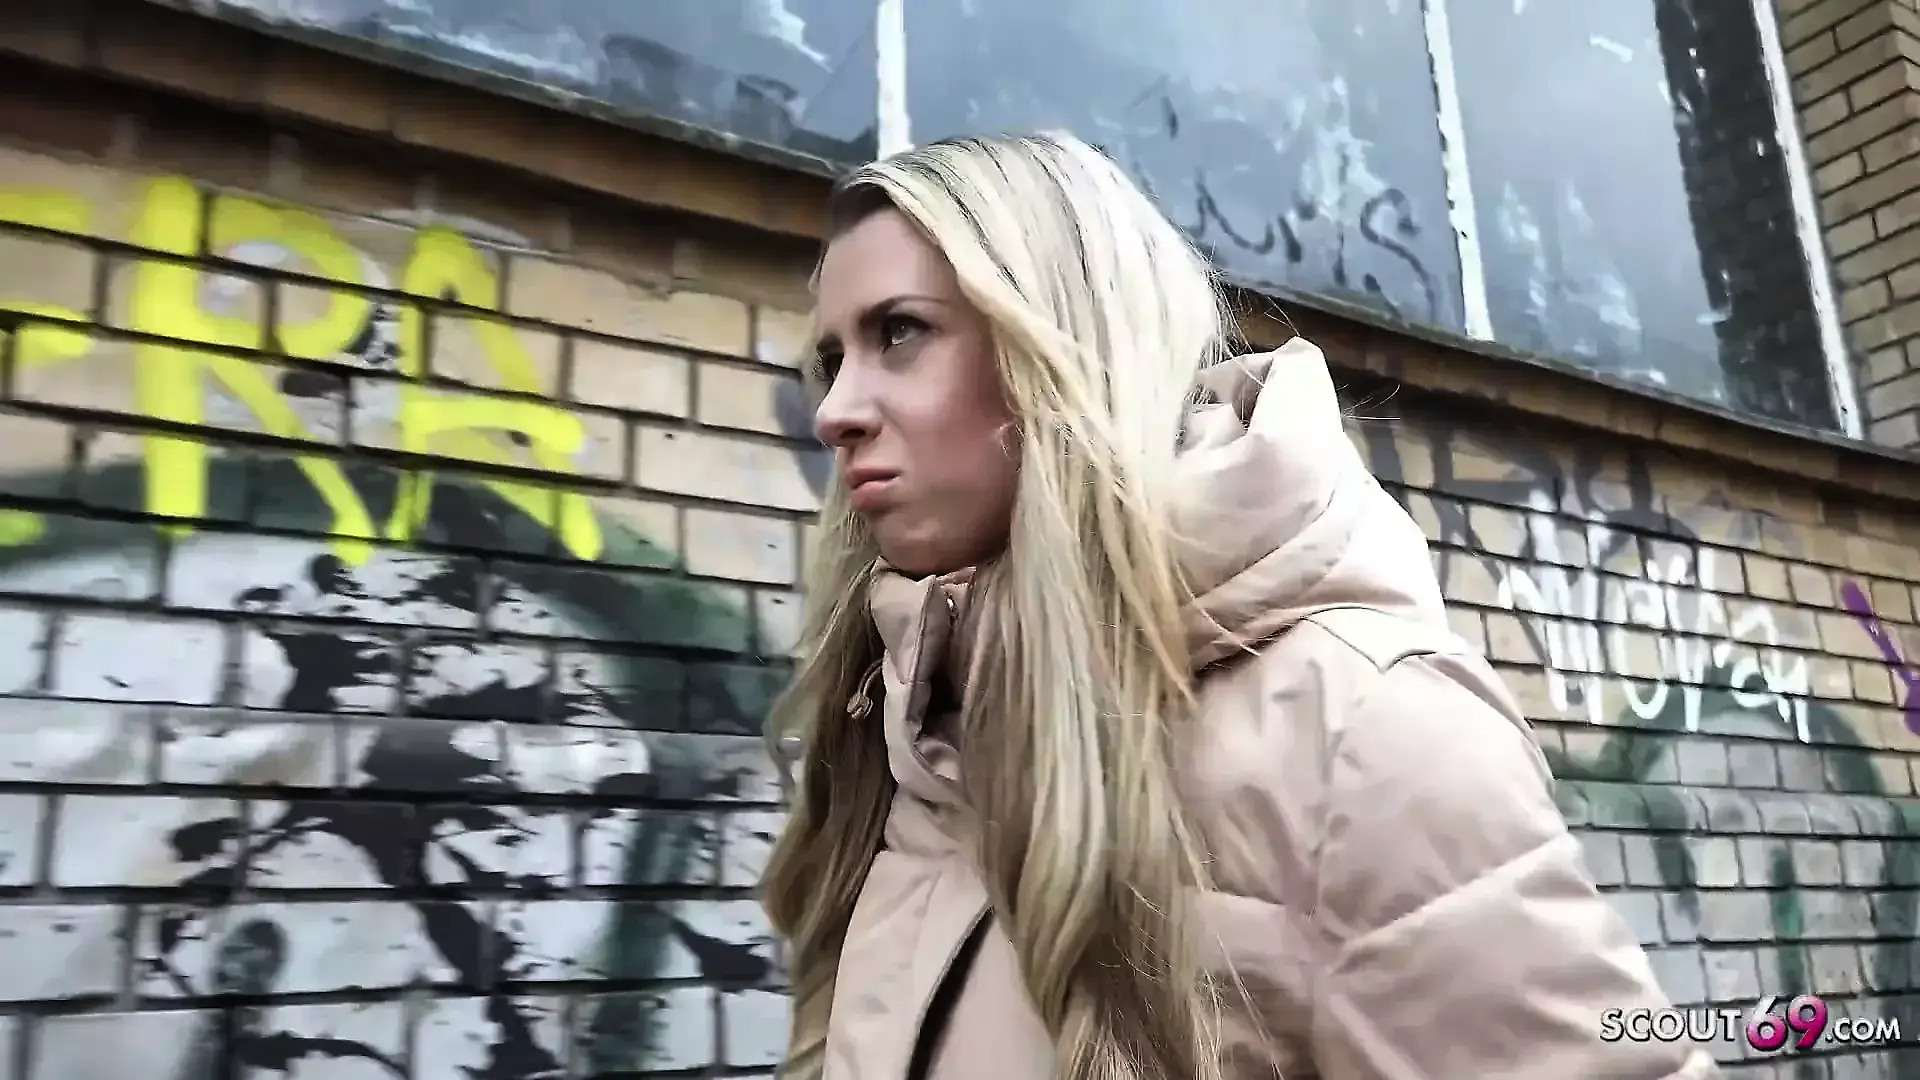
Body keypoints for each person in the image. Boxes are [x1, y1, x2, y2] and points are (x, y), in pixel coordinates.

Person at [758, 131, 1717, 1080]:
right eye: (832, 360)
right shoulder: (914, 733)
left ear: (1066, 345)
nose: (836, 411)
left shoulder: (1359, 734)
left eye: (899, 333)